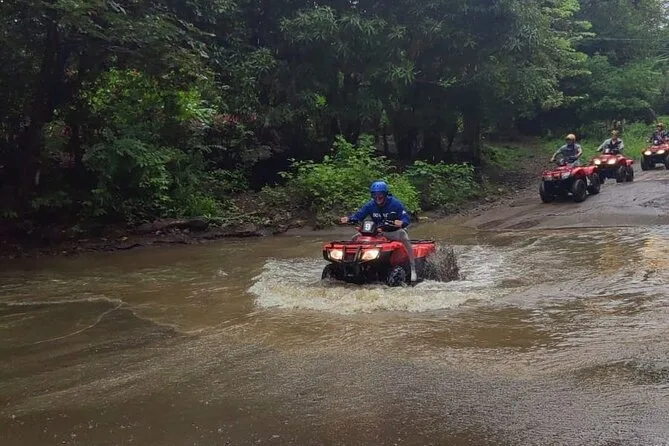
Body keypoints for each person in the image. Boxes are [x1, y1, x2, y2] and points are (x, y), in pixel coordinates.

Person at [340, 180, 417, 282]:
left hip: (392, 231)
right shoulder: (370, 205)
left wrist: (402, 222)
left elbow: (406, 218)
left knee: (403, 234)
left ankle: (413, 268)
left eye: (380, 195)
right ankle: (351, 266)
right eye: (375, 195)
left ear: (385, 194)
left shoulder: (395, 204)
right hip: (376, 232)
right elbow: (359, 215)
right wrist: (349, 219)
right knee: (355, 238)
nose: (377, 197)